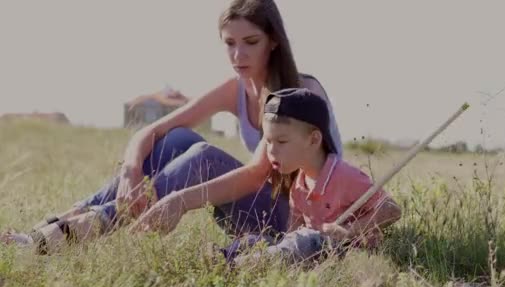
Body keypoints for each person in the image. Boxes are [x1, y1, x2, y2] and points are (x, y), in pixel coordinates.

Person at [1, 0, 343, 254]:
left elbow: (256, 174)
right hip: (259, 205)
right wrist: (130, 172)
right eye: (229, 43)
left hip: (300, 221)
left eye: (250, 42)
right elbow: (152, 131)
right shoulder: (237, 88)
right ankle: (62, 222)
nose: (238, 54)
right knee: (177, 138)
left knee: (203, 156)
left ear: (274, 41)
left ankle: (83, 228)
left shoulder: (299, 92)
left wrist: (180, 200)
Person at [220, 88, 402, 265]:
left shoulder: (345, 176)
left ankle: (242, 265)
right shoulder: (298, 185)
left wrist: (348, 231)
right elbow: (292, 234)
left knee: (305, 242)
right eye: (268, 141)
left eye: (281, 141)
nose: (272, 151)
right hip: (313, 253)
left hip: (348, 253)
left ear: (314, 140)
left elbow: (391, 209)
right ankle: (224, 258)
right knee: (256, 240)